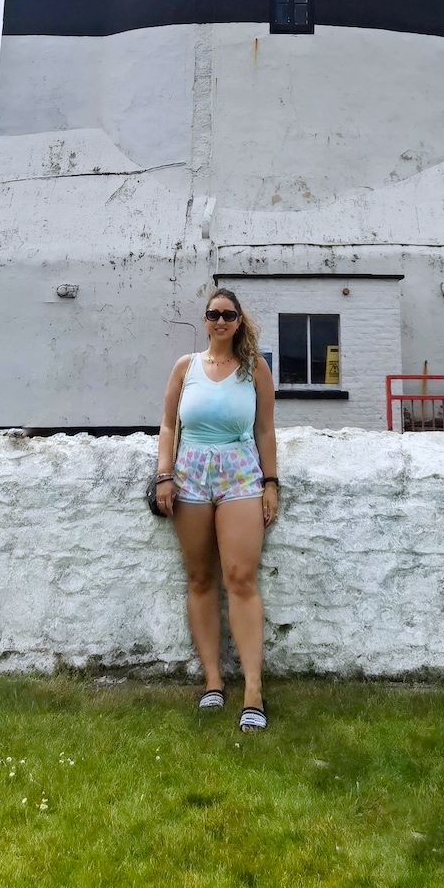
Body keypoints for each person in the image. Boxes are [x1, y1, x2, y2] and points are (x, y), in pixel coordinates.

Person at [154, 289, 279, 731]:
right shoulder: (185, 368)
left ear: (239, 321)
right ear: (205, 321)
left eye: (228, 315)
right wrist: (163, 474)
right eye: (213, 314)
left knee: (240, 578)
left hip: (240, 474)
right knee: (200, 578)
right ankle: (212, 681)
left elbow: (265, 431)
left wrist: (270, 483)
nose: (220, 321)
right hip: (189, 475)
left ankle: (252, 690)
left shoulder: (254, 368)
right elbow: (169, 425)